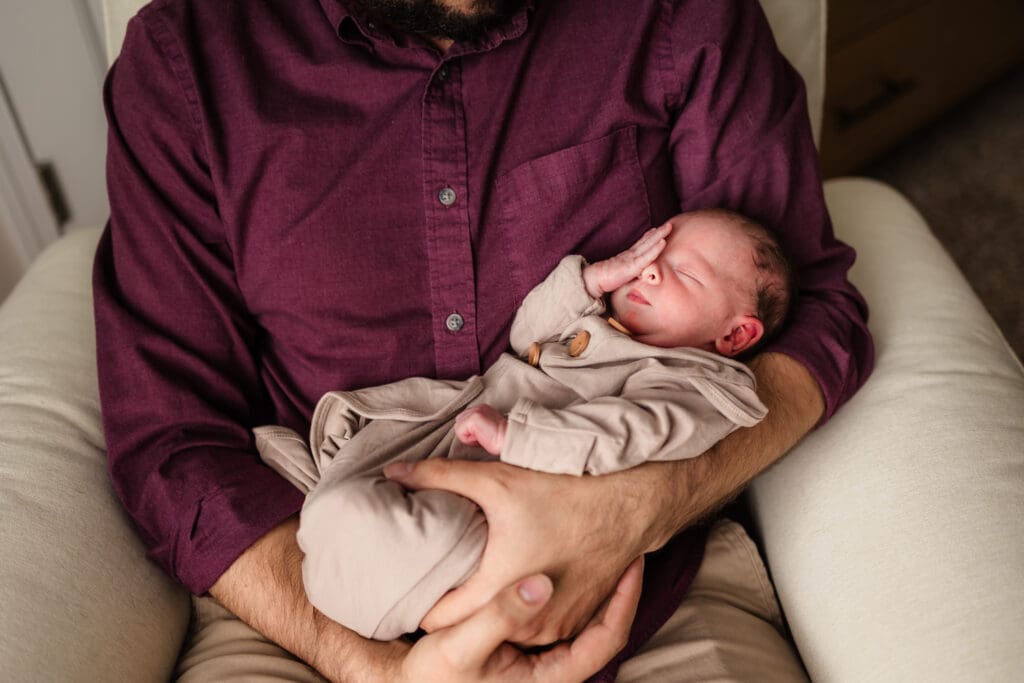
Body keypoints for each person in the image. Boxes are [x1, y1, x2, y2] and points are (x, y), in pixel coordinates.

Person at [93, 1, 874, 681]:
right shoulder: (184, 63)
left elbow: (814, 316)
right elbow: (172, 437)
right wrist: (375, 668)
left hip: (643, 587)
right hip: (312, 609)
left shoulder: (673, 15)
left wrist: (631, 510)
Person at [254, 210, 792, 641]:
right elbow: (525, 336)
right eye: (654, 254)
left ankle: (359, 564)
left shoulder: (693, 383)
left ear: (736, 336)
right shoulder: (608, 320)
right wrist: (590, 281)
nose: (649, 269)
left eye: (686, 273)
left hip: (511, 474)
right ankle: (334, 504)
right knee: (365, 466)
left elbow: (623, 431)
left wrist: (518, 436)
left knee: (416, 530)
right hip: (461, 421)